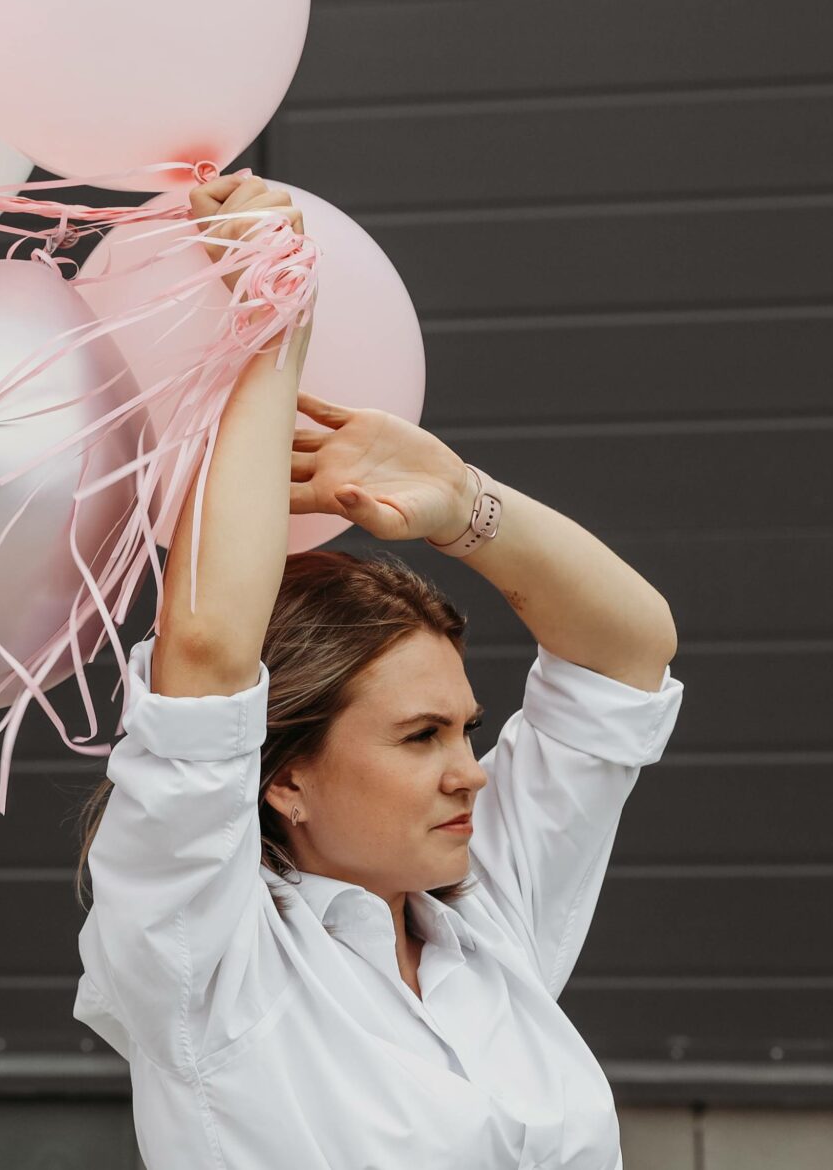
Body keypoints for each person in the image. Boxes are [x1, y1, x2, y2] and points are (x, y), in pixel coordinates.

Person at [74, 172, 683, 1169]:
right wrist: (273, 322)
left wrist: (462, 504)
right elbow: (208, 653)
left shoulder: (484, 909)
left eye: (462, 728)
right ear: (284, 776)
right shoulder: (203, 962)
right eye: (419, 735)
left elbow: (626, 652)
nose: (470, 772)